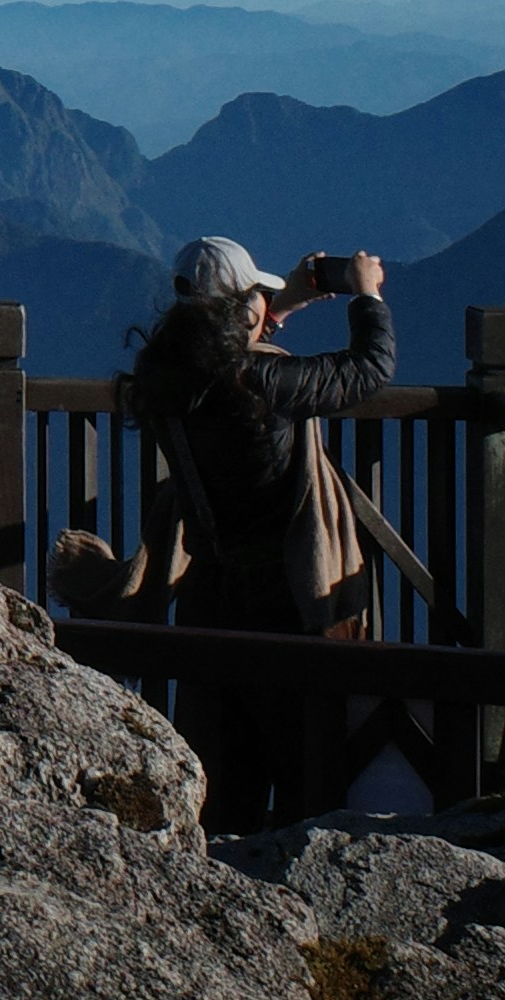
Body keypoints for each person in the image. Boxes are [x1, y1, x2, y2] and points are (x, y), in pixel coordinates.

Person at [134, 233, 393, 826]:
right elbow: (367, 370)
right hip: (283, 599)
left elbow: (220, 351)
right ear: (238, 311)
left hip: (209, 596)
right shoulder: (261, 384)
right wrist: (366, 294)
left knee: (224, 772)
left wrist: (284, 303)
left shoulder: (165, 377)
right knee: (305, 764)